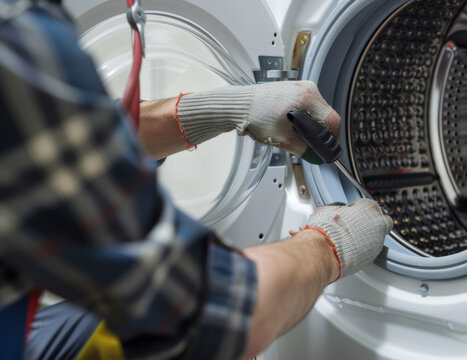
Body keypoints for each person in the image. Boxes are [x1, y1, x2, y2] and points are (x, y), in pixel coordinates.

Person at [0, 1, 393, 359]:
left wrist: (223, 108)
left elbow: (60, 149)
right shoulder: (19, 40)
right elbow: (209, 314)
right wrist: (328, 247)